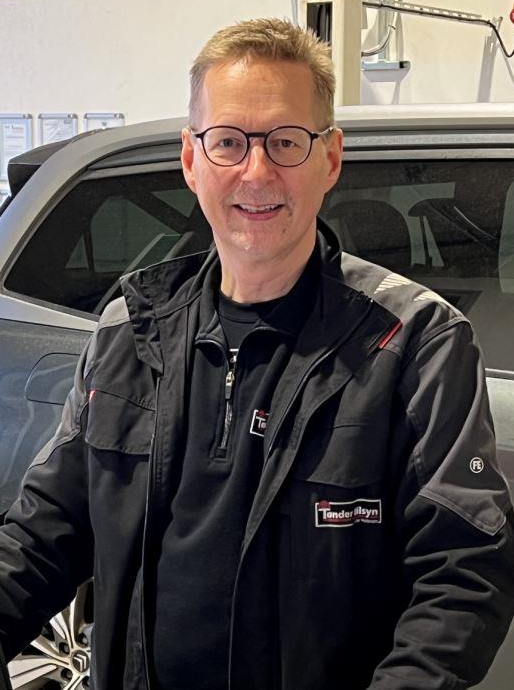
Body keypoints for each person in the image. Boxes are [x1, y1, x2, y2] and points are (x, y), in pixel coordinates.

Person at [0, 17, 513, 690]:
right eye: (229, 142)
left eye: (285, 141)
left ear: (330, 159)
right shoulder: (128, 331)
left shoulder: (416, 343)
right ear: (192, 161)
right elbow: (43, 534)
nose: (257, 171)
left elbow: (462, 573)